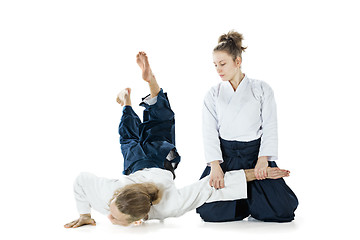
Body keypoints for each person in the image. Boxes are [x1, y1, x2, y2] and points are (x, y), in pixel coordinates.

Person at [64, 52, 291, 228]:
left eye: (110, 212)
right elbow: (206, 189)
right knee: (155, 128)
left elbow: (82, 180)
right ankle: (139, 92)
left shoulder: (111, 195)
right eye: (113, 214)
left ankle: (129, 101)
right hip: (161, 159)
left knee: (129, 136)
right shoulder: (162, 205)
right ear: (139, 220)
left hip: (136, 165)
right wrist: (257, 172)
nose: (108, 216)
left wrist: (85, 214)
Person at [196, 31, 299, 222]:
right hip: (226, 157)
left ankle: (251, 201)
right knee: (208, 211)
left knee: (282, 210)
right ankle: (243, 204)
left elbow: (270, 126)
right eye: (215, 65)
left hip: (254, 155)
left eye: (223, 63)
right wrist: (214, 165)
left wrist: (263, 159)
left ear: (237, 61)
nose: (218, 69)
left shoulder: (261, 89)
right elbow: (209, 132)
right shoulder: (213, 94)